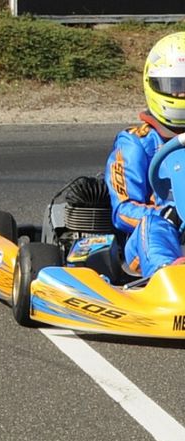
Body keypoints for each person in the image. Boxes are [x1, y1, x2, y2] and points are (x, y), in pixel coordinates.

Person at [105, 32, 185, 278]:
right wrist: (167, 212)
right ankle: (170, 280)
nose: (182, 95)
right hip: (155, 237)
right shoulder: (136, 142)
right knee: (154, 227)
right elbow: (123, 210)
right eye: (177, 87)